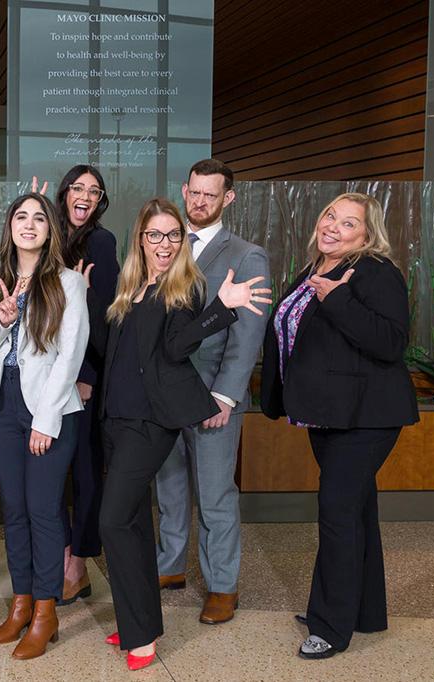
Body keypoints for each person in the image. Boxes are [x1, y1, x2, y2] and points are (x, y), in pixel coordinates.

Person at [89, 198, 270, 671]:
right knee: (131, 522)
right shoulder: (131, 285)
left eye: (173, 235)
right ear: (141, 240)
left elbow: (175, 345)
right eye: (155, 235)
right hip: (116, 417)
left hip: (152, 422)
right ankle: (137, 625)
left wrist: (222, 309)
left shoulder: (186, 286)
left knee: (112, 520)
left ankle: (143, 636)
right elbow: (116, 351)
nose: (165, 244)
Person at [260, 193, 418, 660]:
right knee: (356, 512)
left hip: (366, 418)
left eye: (349, 223)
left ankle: (330, 626)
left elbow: (391, 342)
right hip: (329, 416)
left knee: (337, 513)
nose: (334, 226)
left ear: (366, 237)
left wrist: (340, 298)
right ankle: (363, 611)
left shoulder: (374, 272)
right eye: (331, 215)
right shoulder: (312, 270)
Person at [0, 193, 89, 659]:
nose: (30, 224)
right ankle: (20, 604)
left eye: (40, 218)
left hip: (49, 411)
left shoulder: (68, 282)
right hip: (2, 408)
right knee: (14, 510)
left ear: (50, 230)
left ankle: (45, 611)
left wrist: (46, 419)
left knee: (43, 510)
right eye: (21, 216)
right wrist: (1, 321)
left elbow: (70, 355)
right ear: (10, 226)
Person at [154, 159, 270, 624]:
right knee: (169, 486)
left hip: (211, 397)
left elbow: (248, 336)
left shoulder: (246, 254)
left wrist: (225, 397)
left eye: (210, 194)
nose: (199, 201)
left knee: (216, 493)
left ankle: (222, 584)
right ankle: (170, 567)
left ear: (228, 198)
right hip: (165, 394)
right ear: (184, 190)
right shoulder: (164, 245)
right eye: (194, 192)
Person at [50, 165, 120, 605]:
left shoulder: (102, 241)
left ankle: (76, 567)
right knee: (53, 474)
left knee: (84, 474)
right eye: (78, 187)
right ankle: (62, 561)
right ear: (65, 193)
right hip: (45, 375)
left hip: (81, 378)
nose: (86, 196)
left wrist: (84, 377)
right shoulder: (51, 237)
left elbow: (104, 317)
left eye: (94, 191)